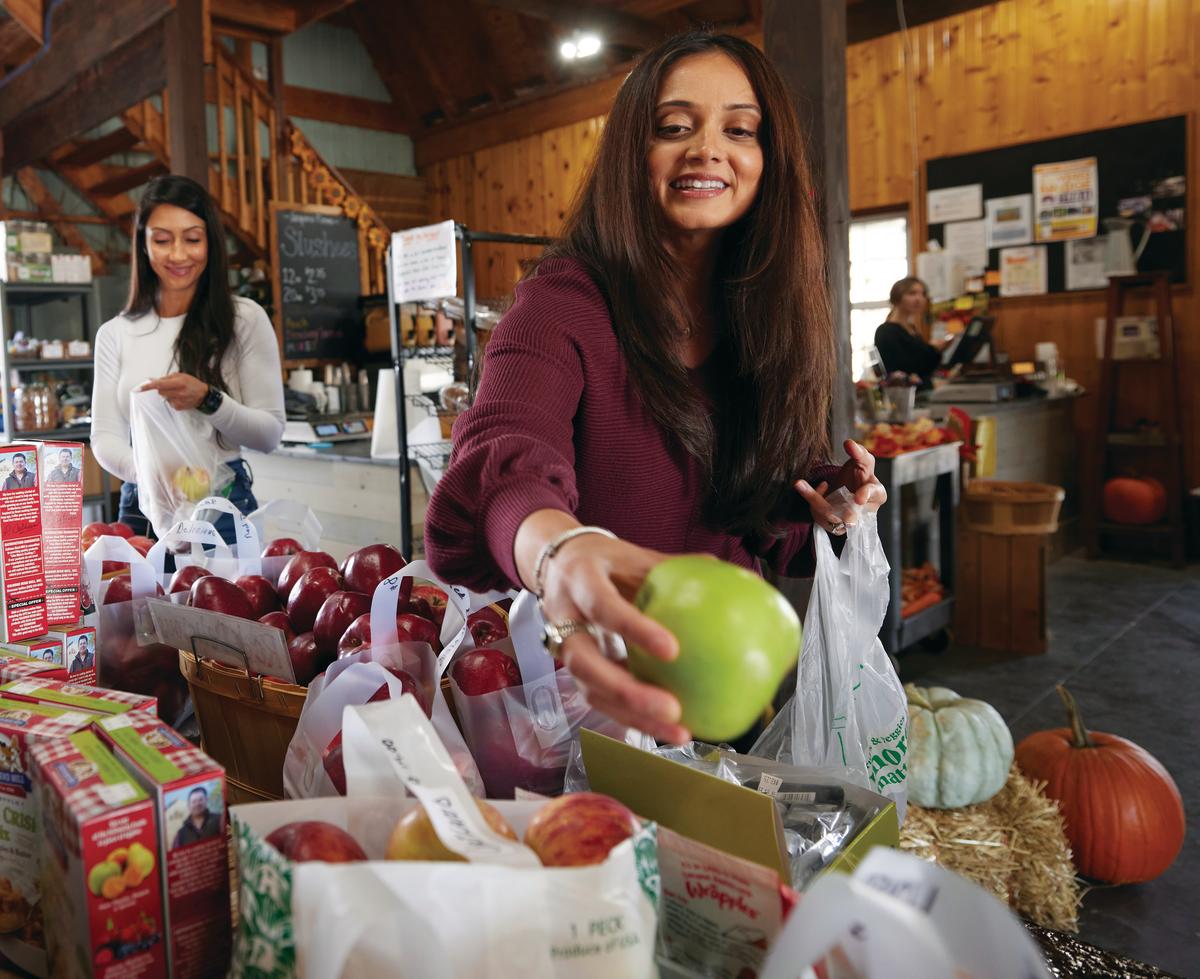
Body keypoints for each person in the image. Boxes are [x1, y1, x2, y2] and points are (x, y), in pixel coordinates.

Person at [424, 31, 886, 745]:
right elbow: (503, 451)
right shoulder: (561, 302)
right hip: (582, 700)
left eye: (739, 129)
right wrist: (559, 552)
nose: (707, 148)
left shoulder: (762, 316)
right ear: (631, 156)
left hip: (723, 695)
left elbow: (748, 505)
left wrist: (822, 502)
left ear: (770, 160)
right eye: (674, 127)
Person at [91, 175, 285, 545]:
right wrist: (154, 477)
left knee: (221, 602)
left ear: (210, 242)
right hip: (140, 506)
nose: (178, 254)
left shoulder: (244, 320)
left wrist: (208, 399)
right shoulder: (114, 334)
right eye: (162, 240)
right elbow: (104, 438)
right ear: (144, 245)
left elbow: (268, 434)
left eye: (192, 239)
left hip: (223, 499)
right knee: (137, 603)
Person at [873, 277, 945, 386]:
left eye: (923, 294)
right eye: (912, 293)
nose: (919, 299)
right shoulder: (886, 331)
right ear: (897, 297)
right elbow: (906, 368)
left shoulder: (912, 329)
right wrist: (933, 349)